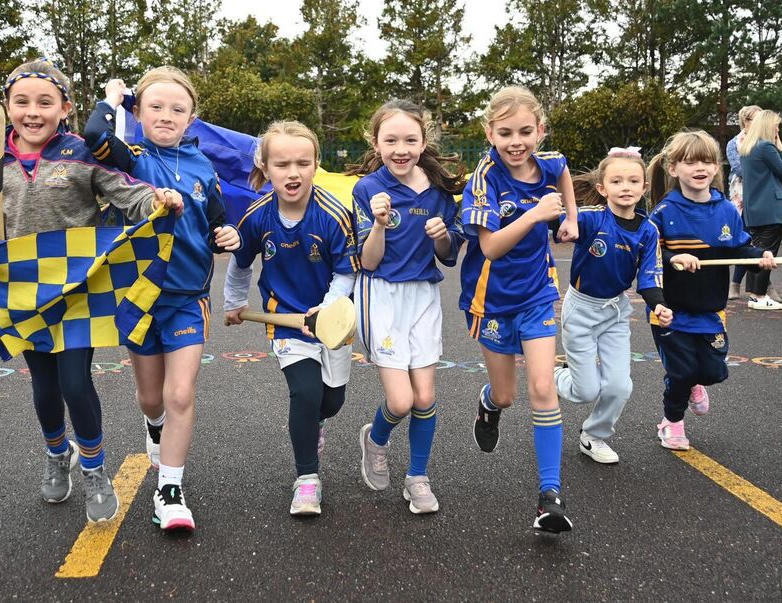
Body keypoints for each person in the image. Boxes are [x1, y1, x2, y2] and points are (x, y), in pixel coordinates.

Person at [0, 59, 183, 521]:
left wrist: (157, 199)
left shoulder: (82, 152)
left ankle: (94, 469)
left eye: (45, 102)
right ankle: (55, 454)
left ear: (64, 108)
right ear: (7, 108)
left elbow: (127, 191)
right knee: (44, 387)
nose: (32, 111)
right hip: (22, 290)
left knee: (73, 381)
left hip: (78, 289)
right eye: (21, 101)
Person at [82, 68, 240, 531]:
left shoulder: (202, 167)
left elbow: (214, 223)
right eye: (155, 107)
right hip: (139, 297)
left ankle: (170, 491)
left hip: (189, 299)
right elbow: (94, 134)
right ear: (137, 112)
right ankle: (155, 428)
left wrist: (225, 234)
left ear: (191, 117)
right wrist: (113, 96)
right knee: (152, 398)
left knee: (180, 393)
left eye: (177, 109)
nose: (166, 116)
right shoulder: (129, 158)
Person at [222, 121, 358, 516]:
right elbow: (240, 265)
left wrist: (327, 310)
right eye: (282, 164)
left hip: (332, 319)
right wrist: (233, 302)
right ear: (265, 167)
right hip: (284, 320)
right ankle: (307, 480)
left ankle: (311, 426)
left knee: (331, 400)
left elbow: (346, 272)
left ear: (317, 165)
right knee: (305, 392)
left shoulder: (333, 215)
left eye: (302, 162)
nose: (293, 172)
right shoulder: (258, 215)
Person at [461, 86, 580, 533]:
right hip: (491, 301)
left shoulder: (547, 163)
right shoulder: (485, 178)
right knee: (507, 394)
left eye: (526, 132)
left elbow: (563, 168)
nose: (517, 142)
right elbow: (490, 247)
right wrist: (534, 216)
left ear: (540, 130)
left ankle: (548, 497)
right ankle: (488, 405)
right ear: (490, 132)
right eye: (506, 132)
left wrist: (568, 217)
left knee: (543, 387)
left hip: (536, 294)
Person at [347, 99, 465, 515]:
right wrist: (379, 224)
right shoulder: (367, 190)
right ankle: (376, 440)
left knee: (425, 396)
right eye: (391, 139)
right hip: (382, 296)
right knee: (400, 402)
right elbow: (370, 260)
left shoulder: (439, 192)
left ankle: (417, 477)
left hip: (424, 297)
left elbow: (449, 255)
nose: (401, 148)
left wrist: (439, 236)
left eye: (410, 140)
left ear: (423, 141)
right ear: (375, 142)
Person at [645, 130, 777, 450]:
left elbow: (741, 249)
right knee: (681, 370)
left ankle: (693, 384)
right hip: (670, 311)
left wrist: (759, 258)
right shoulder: (664, 212)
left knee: (713, 371)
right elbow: (646, 253)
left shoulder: (728, 210)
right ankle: (672, 423)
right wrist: (674, 257)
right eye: (690, 162)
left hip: (710, 310)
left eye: (707, 161)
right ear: (674, 169)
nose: (700, 167)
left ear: (717, 167)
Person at [555, 147, 670, 465]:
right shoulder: (590, 219)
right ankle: (551, 376)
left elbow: (649, 278)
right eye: (617, 181)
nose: (626, 187)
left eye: (634, 180)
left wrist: (659, 305)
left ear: (644, 188)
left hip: (616, 312)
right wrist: (561, 225)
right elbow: (559, 225)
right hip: (581, 310)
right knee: (585, 392)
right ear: (603, 188)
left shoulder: (648, 231)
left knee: (620, 385)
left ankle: (593, 436)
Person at [738, 110, 782, 310]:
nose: (778, 129)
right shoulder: (767, 147)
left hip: (754, 207)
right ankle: (760, 296)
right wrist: (781, 148)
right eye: (776, 125)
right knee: (767, 254)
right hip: (771, 207)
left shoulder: (747, 147)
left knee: (757, 251)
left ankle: (754, 295)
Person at [726, 105, 763, 300]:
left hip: (762, 195)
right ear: (745, 122)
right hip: (742, 196)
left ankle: (762, 286)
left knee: (763, 242)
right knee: (746, 239)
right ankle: (735, 284)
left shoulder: (765, 142)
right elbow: (739, 168)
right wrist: (761, 174)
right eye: (754, 119)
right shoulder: (734, 143)